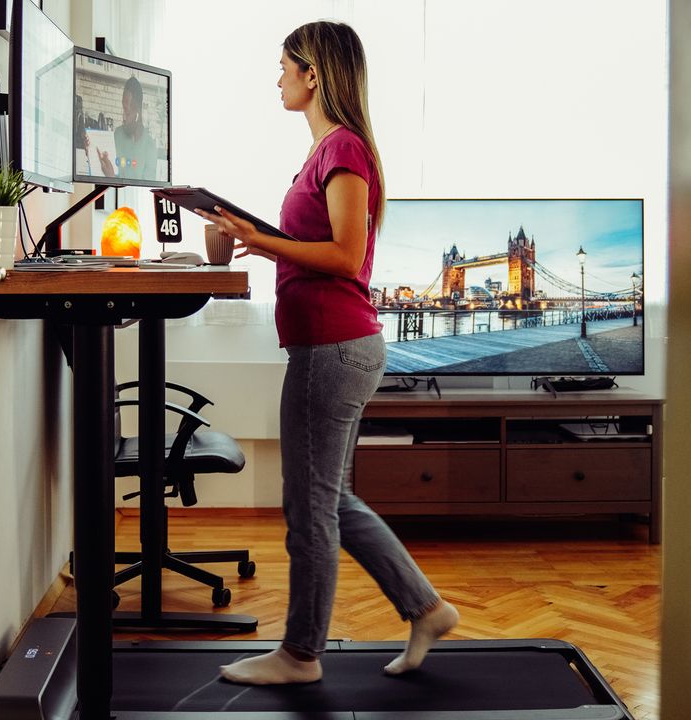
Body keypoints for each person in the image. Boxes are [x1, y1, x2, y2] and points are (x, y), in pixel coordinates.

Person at [196, 20, 459, 686]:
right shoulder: (323, 153)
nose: (276, 77)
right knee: (333, 500)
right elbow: (308, 247)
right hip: (334, 343)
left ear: (313, 74)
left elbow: (344, 257)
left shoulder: (343, 149)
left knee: (307, 507)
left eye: (283, 66)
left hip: (334, 346)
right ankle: (425, 607)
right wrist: (231, 236)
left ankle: (300, 654)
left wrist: (263, 238)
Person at [97, 75, 158, 181]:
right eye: (123, 110)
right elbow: (108, 171)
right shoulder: (118, 134)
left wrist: (112, 179)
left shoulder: (150, 146)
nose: (123, 117)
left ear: (138, 112)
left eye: (127, 111)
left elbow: (146, 190)